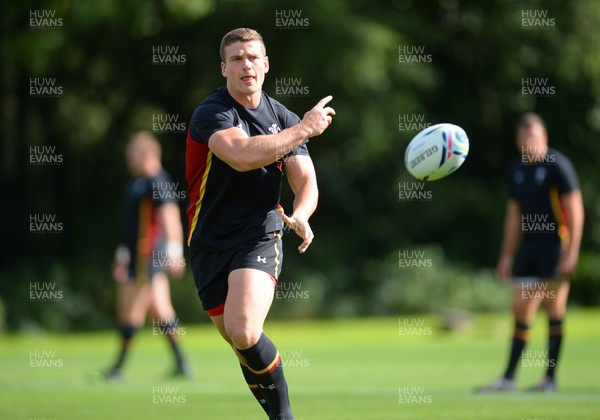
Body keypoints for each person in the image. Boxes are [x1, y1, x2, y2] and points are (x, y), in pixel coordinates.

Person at [185, 28, 334, 419]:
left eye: (253, 57)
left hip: (259, 235)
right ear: (224, 68)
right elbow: (241, 155)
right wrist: (304, 128)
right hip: (208, 243)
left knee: (245, 329)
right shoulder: (213, 113)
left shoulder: (281, 116)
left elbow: (306, 182)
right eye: (236, 59)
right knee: (242, 344)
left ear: (266, 65)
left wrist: (300, 214)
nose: (245, 65)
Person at [477, 113, 584, 392]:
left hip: (554, 246)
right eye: (524, 138)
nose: (529, 143)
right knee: (521, 310)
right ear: (517, 141)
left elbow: (575, 208)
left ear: (544, 138)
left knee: (554, 309)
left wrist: (571, 253)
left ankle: (549, 378)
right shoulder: (516, 170)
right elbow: (514, 215)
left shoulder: (557, 166)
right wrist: (506, 255)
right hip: (529, 248)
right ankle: (508, 378)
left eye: (534, 137)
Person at [104, 131, 191, 380]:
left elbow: (170, 218)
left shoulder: (157, 181)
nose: (128, 158)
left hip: (148, 257)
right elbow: (131, 227)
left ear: (146, 153)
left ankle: (118, 368)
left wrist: (174, 252)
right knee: (161, 310)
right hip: (136, 256)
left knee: (130, 310)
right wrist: (122, 254)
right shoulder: (136, 183)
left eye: (132, 153)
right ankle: (182, 364)